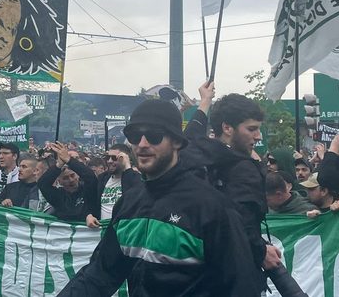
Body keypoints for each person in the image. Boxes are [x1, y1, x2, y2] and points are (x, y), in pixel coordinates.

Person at [60, 99, 257, 296]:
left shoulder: (212, 207)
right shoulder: (129, 204)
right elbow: (100, 274)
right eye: (135, 136)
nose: (143, 144)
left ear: (177, 142)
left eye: (154, 136)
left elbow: (242, 287)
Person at [184, 82, 277, 293]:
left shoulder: (195, 157)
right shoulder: (244, 169)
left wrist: (204, 102)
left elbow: (189, 137)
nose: (258, 136)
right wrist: (261, 250)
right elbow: (242, 224)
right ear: (227, 128)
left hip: (196, 277)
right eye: (251, 129)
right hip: (235, 277)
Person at [38, 142, 97, 223]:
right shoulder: (58, 196)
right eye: (65, 178)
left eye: (72, 175)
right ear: (59, 181)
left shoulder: (87, 190)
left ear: (78, 175)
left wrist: (69, 160)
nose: (71, 180)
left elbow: (90, 177)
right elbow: (42, 184)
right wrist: (59, 165)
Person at [87, 144, 140, 228]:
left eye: (114, 158)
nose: (110, 161)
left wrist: (127, 166)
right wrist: (89, 215)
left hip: (124, 228)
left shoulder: (135, 178)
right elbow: (92, 201)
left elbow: (134, 198)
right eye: (108, 158)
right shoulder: (102, 178)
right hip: (103, 229)